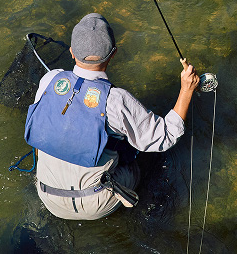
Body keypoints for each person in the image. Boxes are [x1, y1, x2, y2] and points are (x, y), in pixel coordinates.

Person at [24, 12, 199, 219]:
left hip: (48, 197)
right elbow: (165, 136)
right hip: (94, 204)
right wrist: (186, 90)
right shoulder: (116, 100)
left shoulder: (49, 80)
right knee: (141, 158)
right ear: (113, 53)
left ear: (71, 52)